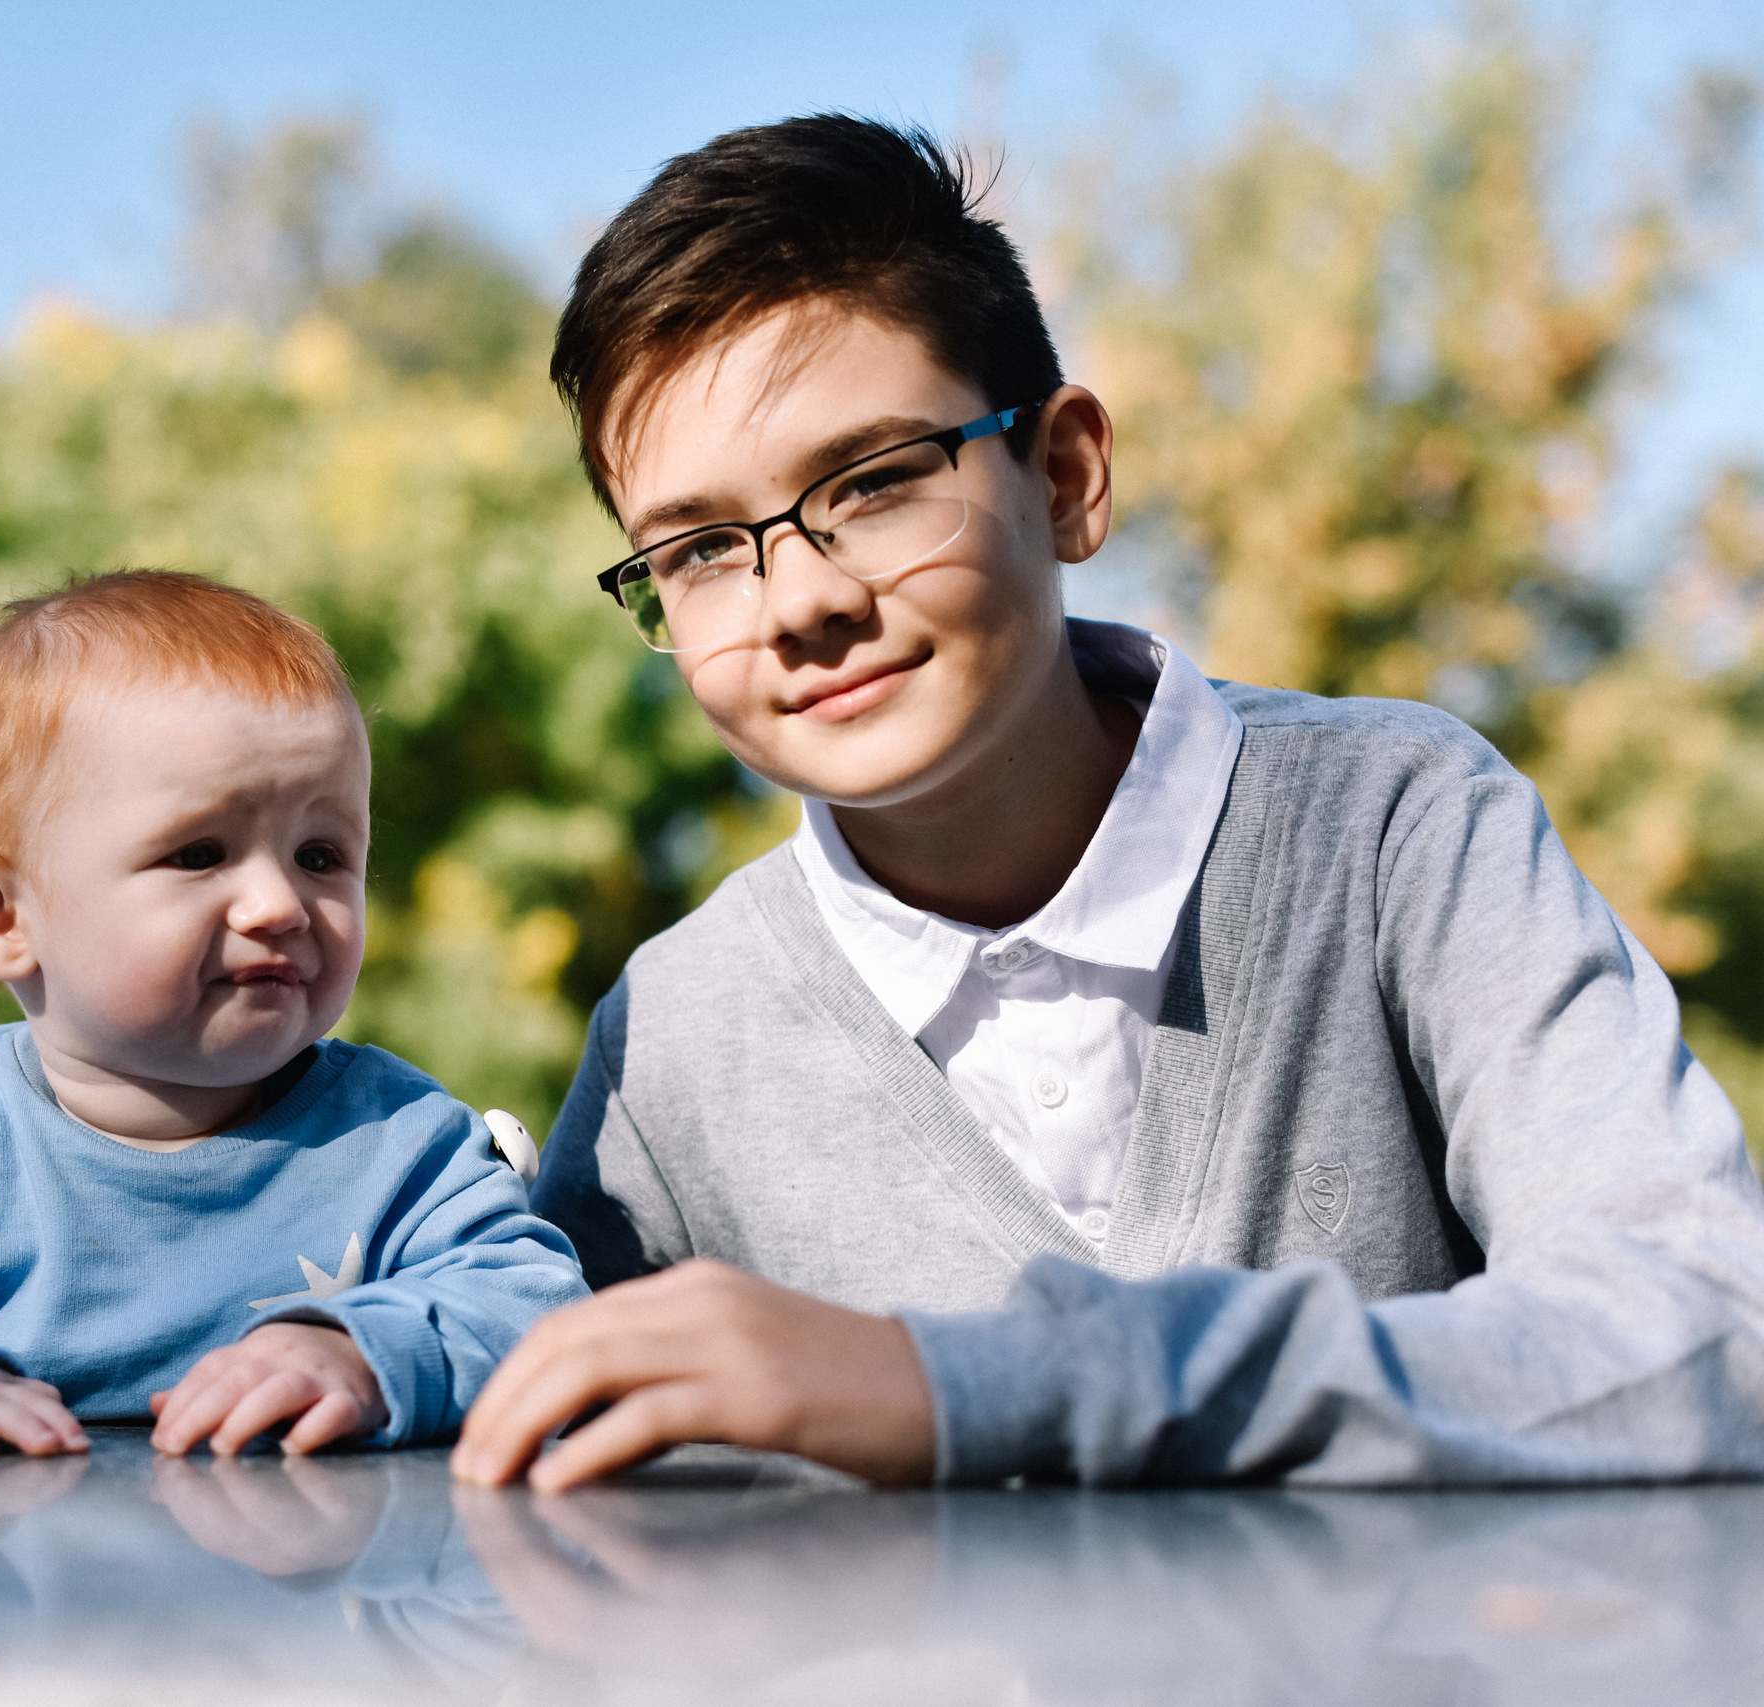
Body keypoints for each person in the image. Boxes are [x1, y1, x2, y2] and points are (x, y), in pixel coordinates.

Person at [448, 115, 1764, 1491]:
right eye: (704, 548)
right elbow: (525, 1440)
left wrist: (971, 1381)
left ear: (1066, 477)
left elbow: (1709, 1329)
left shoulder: (1399, 827)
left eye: (878, 482)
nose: (804, 600)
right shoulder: (673, 1040)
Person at [0, 571, 584, 1459]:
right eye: (200, 852)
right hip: (5, 1609)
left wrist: (363, 1353)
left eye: (323, 854)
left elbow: (536, 1306)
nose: (279, 904)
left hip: (302, 1615)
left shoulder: (400, 1147)